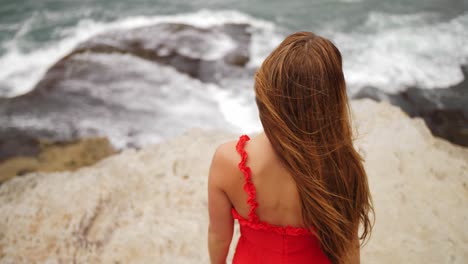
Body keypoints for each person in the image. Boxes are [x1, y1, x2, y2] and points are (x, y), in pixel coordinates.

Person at [207, 31, 374, 264]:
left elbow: (219, 237)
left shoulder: (228, 160)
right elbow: (348, 250)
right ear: (332, 102)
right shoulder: (342, 168)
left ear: (266, 94)